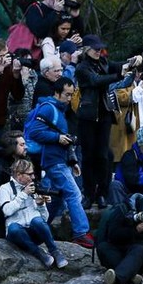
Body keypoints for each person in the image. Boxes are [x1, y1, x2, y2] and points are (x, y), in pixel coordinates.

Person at [23, 78, 94, 248]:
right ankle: (81, 233)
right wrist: (57, 137)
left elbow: (63, 138)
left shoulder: (59, 110)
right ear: (57, 92)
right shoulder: (49, 108)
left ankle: (38, 231)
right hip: (53, 161)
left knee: (56, 198)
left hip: (59, 160)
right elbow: (34, 132)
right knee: (74, 194)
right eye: (67, 95)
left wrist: (72, 161)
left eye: (71, 95)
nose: (69, 99)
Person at [73, 34, 126, 209]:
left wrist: (132, 62)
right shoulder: (81, 68)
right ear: (86, 49)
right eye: (95, 48)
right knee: (88, 156)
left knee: (103, 155)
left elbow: (116, 65)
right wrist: (119, 75)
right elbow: (96, 81)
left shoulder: (103, 62)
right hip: (88, 116)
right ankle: (88, 193)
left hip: (104, 114)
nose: (98, 51)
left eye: (99, 48)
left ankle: (102, 193)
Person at [0, 158, 68, 268]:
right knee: (14, 228)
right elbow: (7, 210)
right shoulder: (5, 188)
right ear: (19, 174)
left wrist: (41, 205)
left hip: (35, 233)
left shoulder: (35, 187)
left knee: (37, 221)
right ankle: (40, 254)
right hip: (18, 235)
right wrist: (23, 194)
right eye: (30, 174)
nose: (33, 177)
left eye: (33, 174)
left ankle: (55, 251)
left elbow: (44, 219)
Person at [0, 130, 28, 238]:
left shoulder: (26, 163)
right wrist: (9, 207)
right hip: (1, 213)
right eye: (22, 145)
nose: (26, 147)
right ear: (12, 147)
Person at [111, 124, 143, 205]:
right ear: (142, 143)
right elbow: (132, 180)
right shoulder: (129, 156)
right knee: (114, 185)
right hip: (129, 194)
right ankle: (120, 211)